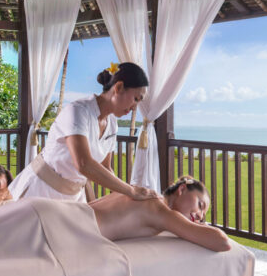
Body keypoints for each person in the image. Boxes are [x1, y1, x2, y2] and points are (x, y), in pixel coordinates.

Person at [9, 62, 160, 203]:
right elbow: (83, 164)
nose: (135, 107)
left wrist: (126, 195)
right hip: (40, 189)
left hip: (72, 195)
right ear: (118, 87)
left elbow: (105, 167)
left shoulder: (112, 123)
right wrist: (131, 191)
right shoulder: (78, 111)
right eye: (136, 99)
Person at [90, 175, 231, 252]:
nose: (200, 216)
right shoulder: (161, 211)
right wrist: (202, 226)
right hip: (79, 230)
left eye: (202, 216)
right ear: (182, 189)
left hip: (78, 214)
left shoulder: (142, 193)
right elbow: (223, 242)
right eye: (200, 205)